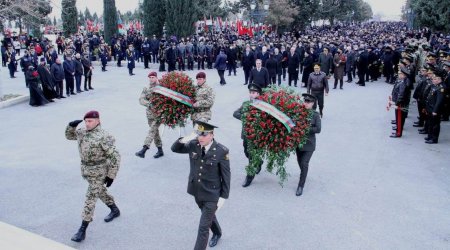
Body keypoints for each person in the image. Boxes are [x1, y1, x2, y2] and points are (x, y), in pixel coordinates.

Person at [171, 120, 230, 250]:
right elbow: (175, 149)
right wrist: (186, 138)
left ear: (212, 135)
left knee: (203, 228)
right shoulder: (194, 144)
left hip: (212, 195)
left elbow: (226, 177)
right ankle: (218, 232)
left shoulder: (221, 151)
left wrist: (223, 198)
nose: (201, 137)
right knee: (208, 216)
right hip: (197, 191)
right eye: (199, 134)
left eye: (204, 134)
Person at [65, 111, 121, 242]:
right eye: (86, 121)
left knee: (90, 197)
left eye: (90, 121)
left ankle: (82, 229)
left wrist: (111, 175)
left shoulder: (104, 136)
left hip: (99, 171)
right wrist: (70, 126)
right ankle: (114, 209)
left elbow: (115, 156)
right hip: (86, 170)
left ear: (98, 121)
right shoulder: (82, 132)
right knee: (99, 191)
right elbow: (69, 136)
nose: (87, 123)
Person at [233, 83, 264, 187]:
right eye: (250, 92)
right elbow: (235, 113)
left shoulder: (263, 105)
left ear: (259, 94)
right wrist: (246, 117)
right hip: (246, 134)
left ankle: (249, 176)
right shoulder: (246, 104)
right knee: (246, 152)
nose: (251, 94)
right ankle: (259, 162)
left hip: (257, 136)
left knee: (251, 155)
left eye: (254, 92)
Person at [295, 93, 321, 196]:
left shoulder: (315, 115)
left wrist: (305, 129)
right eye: (305, 101)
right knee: (300, 163)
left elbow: (318, 129)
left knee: (304, 164)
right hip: (299, 144)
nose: (306, 103)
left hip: (309, 145)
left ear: (313, 104)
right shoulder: (299, 112)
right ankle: (303, 174)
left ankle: (301, 185)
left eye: (308, 102)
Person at [135, 72, 164, 159]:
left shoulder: (161, 88)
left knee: (152, 130)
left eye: (153, 77)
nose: (151, 79)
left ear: (156, 78)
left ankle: (144, 149)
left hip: (159, 114)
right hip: (150, 114)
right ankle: (160, 150)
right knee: (155, 132)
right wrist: (149, 104)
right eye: (150, 77)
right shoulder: (146, 88)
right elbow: (141, 99)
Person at [424, 71, 445, 144]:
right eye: (433, 79)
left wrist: (435, 111)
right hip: (430, 108)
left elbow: (439, 101)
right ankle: (430, 136)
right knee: (430, 123)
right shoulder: (435, 86)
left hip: (435, 110)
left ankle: (434, 139)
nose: (433, 80)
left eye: (434, 79)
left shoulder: (441, 88)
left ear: (439, 80)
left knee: (435, 125)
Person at [389, 67, 411, 138]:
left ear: (404, 75)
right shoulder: (403, 81)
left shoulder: (403, 83)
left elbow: (401, 94)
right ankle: (398, 129)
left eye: (400, 74)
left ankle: (398, 133)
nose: (399, 75)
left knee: (399, 118)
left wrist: (397, 103)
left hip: (401, 104)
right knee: (400, 118)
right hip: (401, 103)